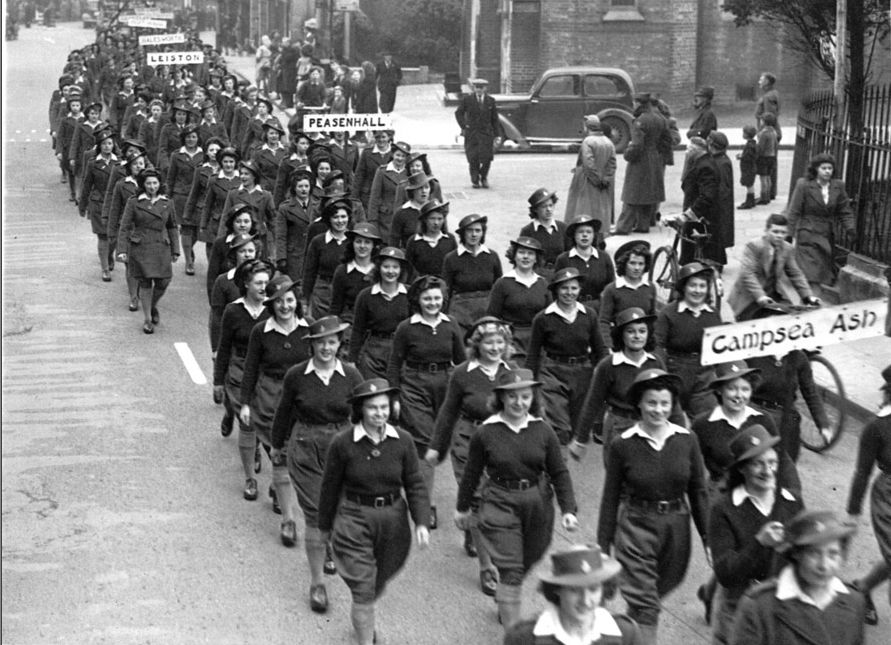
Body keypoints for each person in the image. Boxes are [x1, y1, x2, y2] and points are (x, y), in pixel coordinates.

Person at [455, 368, 580, 630]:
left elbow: (559, 472)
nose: (518, 403)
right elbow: (472, 473)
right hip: (499, 501)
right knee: (511, 570)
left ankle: (506, 592)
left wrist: (569, 509)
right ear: (501, 398)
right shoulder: (486, 432)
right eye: (512, 397)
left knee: (527, 560)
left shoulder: (543, 430)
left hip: (537, 503)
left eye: (524, 397)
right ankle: (514, 631)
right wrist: (462, 507)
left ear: (532, 398)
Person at [597, 369, 709, 645]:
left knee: (651, 598)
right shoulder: (622, 445)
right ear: (639, 403)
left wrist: (708, 537)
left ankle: (632, 631)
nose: (658, 410)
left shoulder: (686, 440)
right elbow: (610, 497)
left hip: (676, 528)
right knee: (647, 605)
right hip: (636, 526)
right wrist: (603, 546)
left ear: (672, 405)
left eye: (664, 403)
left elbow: (698, 491)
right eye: (651, 403)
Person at [318, 378, 431, 645]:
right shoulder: (342, 443)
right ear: (360, 410)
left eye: (384, 407)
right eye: (372, 408)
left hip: (393, 519)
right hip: (354, 518)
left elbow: (414, 483)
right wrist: (324, 528)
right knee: (364, 591)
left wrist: (421, 523)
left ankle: (364, 614)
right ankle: (365, 636)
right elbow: (329, 487)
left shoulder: (403, 441)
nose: (380, 413)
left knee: (380, 579)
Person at [271, 315, 364, 612]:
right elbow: (284, 413)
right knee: (316, 515)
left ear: (339, 344)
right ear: (311, 345)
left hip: (342, 447)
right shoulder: (297, 375)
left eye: (332, 342)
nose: (327, 348)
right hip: (306, 446)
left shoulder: (351, 375)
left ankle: (330, 545)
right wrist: (277, 446)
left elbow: (363, 415)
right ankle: (317, 584)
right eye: (321, 342)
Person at [426, 317, 514, 596]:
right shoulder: (463, 373)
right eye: (489, 342)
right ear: (477, 344)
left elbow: (532, 413)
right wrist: (436, 447)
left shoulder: (513, 373)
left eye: (500, 342)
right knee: (477, 499)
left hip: (503, 441)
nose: (495, 347)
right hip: (468, 439)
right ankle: (488, 567)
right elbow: (448, 412)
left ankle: (474, 532)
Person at [708, 425, 804, 644]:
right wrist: (759, 543)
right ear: (742, 469)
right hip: (739, 608)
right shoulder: (724, 508)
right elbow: (725, 573)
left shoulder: (791, 502)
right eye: (758, 464)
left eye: (772, 463)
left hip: (783, 608)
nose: (767, 471)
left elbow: (804, 554)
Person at [387, 275, 465, 528]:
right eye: (427, 298)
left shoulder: (451, 324)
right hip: (414, 384)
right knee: (425, 443)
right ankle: (426, 504)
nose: (432, 303)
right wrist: (395, 396)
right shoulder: (406, 328)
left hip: (445, 384)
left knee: (444, 443)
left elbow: (462, 362)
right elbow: (394, 364)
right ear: (417, 300)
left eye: (436, 298)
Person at [239, 276, 312, 538]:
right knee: (276, 449)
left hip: (301, 401)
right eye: (279, 302)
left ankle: (285, 507)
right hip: (270, 396)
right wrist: (245, 402)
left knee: (290, 454)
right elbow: (250, 368)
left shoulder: (309, 329)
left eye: (289, 300)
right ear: (271, 304)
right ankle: (287, 514)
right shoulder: (261, 331)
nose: (285, 306)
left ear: (297, 302)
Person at [730, 510, 865, 645]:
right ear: (796, 553)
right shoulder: (760, 607)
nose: (824, 565)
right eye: (814, 553)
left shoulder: (854, 601)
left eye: (833, 554)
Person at [570, 308, 665, 460]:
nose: (637, 336)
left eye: (642, 331)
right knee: (619, 478)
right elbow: (593, 402)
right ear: (621, 335)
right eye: (630, 331)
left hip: (651, 425)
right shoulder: (608, 365)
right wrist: (580, 440)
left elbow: (671, 401)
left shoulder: (656, 362)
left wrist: (680, 433)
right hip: (619, 426)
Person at [504, 545, 642, 645]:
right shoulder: (524, 639)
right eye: (575, 590)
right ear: (557, 589)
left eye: (593, 589)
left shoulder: (627, 634)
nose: (586, 601)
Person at [845, 364, 891, 626]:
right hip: (887, 496)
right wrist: (853, 512)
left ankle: (862, 588)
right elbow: (862, 472)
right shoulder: (877, 427)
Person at [115, 168, 181, 334]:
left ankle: (152, 305)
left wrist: (176, 249)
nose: (152, 186)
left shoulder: (167, 202)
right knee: (145, 282)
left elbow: (172, 226)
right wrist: (121, 250)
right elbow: (124, 227)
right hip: (141, 246)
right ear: (143, 185)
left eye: (155, 183)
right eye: (149, 183)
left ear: (160, 184)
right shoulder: (134, 202)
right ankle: (147, 319)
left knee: (164, 281)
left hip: (161, 246)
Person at [653, 262, 722, 417]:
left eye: (702, 286)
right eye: (692, 286)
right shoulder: (669, 313)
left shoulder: (713, 314)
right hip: (676, 372)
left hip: (704, 375)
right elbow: (658, 345)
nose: (697, 291)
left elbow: (720, 346)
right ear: (683, 287)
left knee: (708, 417)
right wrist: (664, 376)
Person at [213, 258, 272, 440]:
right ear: (246, 284)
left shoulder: (273, 308)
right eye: (258, 283)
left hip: (264, 367)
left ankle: (234, 414)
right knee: (247, 416)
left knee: (261, 410)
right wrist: (218, 381)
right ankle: (251, 447)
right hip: (239, 366)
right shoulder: (233, 311)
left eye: (266, 283)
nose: (264, 287)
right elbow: (224, 347)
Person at [786, 152, 856, 295]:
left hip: (825, 237)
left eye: (830, 168)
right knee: (811, 276)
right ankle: (809, 306)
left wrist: (850, 228)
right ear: (816, 169)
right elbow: (793, 211)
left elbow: (845, 211)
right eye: (823, 168)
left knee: (821, 276)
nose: (827, 171)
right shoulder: (804, 185)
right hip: (807, 236)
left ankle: (808, 306)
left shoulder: (838, 186)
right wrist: (789, 234)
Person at [727, 213, 819, 322]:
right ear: (766, 231)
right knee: (750, 326)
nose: (779, 236)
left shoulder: (787, 248)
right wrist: (760, 296)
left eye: (783, 232)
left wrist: (808, 296)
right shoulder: (754, 246)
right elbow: (747, 274)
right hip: (750, 297)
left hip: (773, 293)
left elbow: (795, 274)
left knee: (791, 318)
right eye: (775, 232)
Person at [348, 246, 411, 379]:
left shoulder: (410, 294)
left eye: (395, 267)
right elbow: (358, 330)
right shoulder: (365, 296)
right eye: (386, 266)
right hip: (374, 351)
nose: (390, 271)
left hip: (402, 350)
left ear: (401, 270)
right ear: (378, 268)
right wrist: (352, 360)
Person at [487, 237, 551, 360]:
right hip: (511, 340)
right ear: (514, 255)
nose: (525, 257)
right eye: (521, 252)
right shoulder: (503, 283)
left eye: (530, 253)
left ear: (536, 258)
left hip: (537, 340)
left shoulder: (543, 284)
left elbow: (549, 317)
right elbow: (492, 317)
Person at [614, 94, 667, 235]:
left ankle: (623, 227)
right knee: (647, 194)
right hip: (654, 158)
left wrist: (627, 154)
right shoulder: (660, 118)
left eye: (634, 103)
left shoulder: (639, 121)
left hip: (640, 160)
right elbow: (666, 140)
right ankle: (643, 225)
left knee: (632, 194)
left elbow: (637, 145)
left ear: (638, 104)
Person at [442, 213, 503, 332]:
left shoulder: (492, 256)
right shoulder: (451, 258)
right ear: (463, 233)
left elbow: (499, 288)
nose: (474, 234)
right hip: (460, 314)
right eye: (469, 230)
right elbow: (446, 290)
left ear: (483, 233)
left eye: (478, 230)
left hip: (487, 313)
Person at [78, 127, 118, 282]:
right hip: (98, 203)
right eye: (104, 144)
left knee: (113, 237)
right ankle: (105, 269)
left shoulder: (120, 163)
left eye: (110, 143)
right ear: (99, 146)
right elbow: (86, 185)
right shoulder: (93, 163)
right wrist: (82, 205)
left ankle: (108, 255)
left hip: (115, 205)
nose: (107, 146)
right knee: (103, 236)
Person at [564, 115, 616, 233]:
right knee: (600, 211)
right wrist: (606, 179)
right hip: (603, 182)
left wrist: (596, 180)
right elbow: (612, 164)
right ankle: (600, 234)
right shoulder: (608, 142)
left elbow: (588, 164)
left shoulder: (588, 141)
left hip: (587, 181)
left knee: (583, 209)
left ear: (587, 127)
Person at [597, 241, 656, 345]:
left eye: (641, 264)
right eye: (632, 263)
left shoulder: (650, 288)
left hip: (642, 342)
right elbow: (604, 321)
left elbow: (653, 319)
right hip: (619, 341)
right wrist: (608, 346)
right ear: (624, 264)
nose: (637, 268)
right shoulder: (612, 289)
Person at [209, 234, 260, 354]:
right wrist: (216, 348)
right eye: (242, 251)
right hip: (233, 344)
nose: (247, 255)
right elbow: (217, 317)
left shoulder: (266, 279)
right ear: (234, 255)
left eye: (251, 251)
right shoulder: (223, 281)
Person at [165, 124, 204, 275]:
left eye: (193, 137)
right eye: (188, 137)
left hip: (199, 197)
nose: (191, 140)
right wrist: (168, 197)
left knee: (195, 229)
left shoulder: (204, 154)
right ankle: (188, 260)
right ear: (183, 139)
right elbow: (170, 178)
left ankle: (190, 250)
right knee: (186, 228)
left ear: (198, 138)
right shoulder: (176, 155)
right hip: (181, 196)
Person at [303, 199, 351, 319]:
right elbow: (309, 272)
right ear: (329, 219)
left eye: (343, 216)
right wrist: (305, 300)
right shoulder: (318, 242)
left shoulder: (354, 241)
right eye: (335, 217)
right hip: (323, 293)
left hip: (346, 293)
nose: (340, 221)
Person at [554, 214, 613, 307]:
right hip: (571, 307)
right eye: (580, 232)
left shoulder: (604, 257)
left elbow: (611, 286)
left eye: (589, 232)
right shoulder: (563, 259)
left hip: (600, 308)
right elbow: (556, 288)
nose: (585, 235)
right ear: (574, 235)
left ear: (594, 235)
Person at [329, 222, 382, 326]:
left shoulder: (380, 270)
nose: (362, 246)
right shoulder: (342, 271)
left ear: (374, 246)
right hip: (350, 321)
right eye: (358, 241)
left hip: (375, 323)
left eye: (367, 242)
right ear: (352, 243)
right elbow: (336, 305)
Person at [678, 136, 720, 265]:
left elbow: (707, 196)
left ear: (697, 150)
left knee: (695, 258)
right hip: (696, 214)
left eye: (689, 148)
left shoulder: (705, 166)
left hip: (699, 218)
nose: (686, 152)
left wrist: (689, 214)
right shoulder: (700, 162)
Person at [455, 77, 500, 189]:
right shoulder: (468, 100)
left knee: (487, 158)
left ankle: (484, 178)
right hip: (472, 134)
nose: (479, 90)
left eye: (481, 88)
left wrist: (497, 135)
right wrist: (464, 126)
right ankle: (475, 180)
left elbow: (495, 118)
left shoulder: (490, 101)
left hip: (486, 134)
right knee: (473, 157)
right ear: (474, 88)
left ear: (485, 88)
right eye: (477, 87)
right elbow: (458, 113)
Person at [199, 146, 242, 259]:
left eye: (231, 162)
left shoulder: (242, 180)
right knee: (214, 250)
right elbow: (208, 204)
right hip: (216, 221)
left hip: (236, 221)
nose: (228, 165)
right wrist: (203, 224)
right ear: (221, 162)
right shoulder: (214, 180)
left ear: (236, 163)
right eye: (225, 161)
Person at [519, 188, 568, 281]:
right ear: (536, 209)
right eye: (544, 206)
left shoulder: (563, 228)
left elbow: (570, 255)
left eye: (551, 205)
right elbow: (521, 258)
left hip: (561, 277)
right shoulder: (528, 231)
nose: (548, 209)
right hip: (536, 277)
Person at [367, 140, 410, 242]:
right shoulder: (382, 171)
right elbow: (374, 197)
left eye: (403, 156)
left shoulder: (409, 173)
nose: (400, 158)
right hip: (385, 220)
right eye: (398, 155)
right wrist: (373, 221)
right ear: (392, 154)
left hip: (404, 220)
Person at [404, 199, 456, 279]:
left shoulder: (450, 239)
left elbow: (454, 265)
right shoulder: (414, 241)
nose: (436, 223)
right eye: (432, 218)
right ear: (425, 220)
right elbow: (408, 267)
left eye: (440, 219)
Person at [754, 72, 781, 201]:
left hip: (769, 132)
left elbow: (770, 117)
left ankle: (768, 194)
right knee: (771, 162)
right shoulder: (771, 94)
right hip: (771, 131)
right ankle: (770, 192)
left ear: (767, 82)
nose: (759, 81)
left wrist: (763, 131)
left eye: (761, 79)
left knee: (768, 163)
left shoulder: (769, 97)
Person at [389, 171, 432, 248]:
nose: (424, 191)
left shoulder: (434, 210)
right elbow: (394, 241)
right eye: (420, 188)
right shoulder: (401, 213)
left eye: (426, 187)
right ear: (412, 191)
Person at [352, 129, 391, 210]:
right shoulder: (367, 153)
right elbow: (359, 176)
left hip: (387, 196)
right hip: (368, 196)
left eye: (383, 137)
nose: (381, 140)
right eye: (378, 137)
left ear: (389, 137)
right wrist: (354, 198)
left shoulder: (394, 154)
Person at [754, 113, 778, 206]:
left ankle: (763, 197)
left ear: (764, 122)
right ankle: (767, 196)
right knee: (768, 177)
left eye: (761, 120)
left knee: (763, 178)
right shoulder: (774, 132)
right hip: (772, 156)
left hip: (764, 157)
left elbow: (761, 147)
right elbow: (776, 145)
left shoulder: (764, 133)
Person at [737, 125, 758, 210]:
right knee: (750, 185)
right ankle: (751, 201)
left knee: (749, 185)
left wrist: (741, 157)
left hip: (748, 168)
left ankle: (749, 202)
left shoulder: (749, 145)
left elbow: (748, 157)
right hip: (751, 168)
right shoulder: (753, 144)